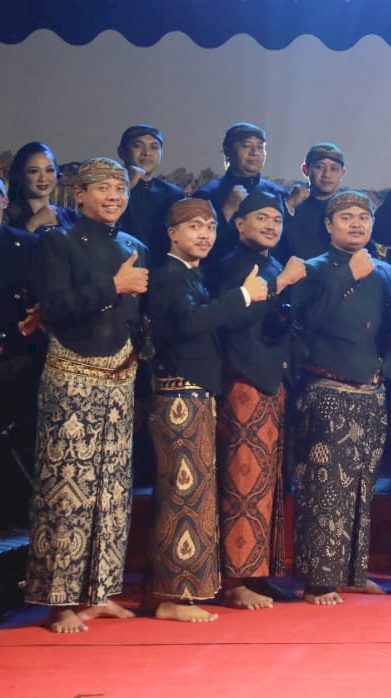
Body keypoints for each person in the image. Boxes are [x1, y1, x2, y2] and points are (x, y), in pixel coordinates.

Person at [24, 158, 148, 633]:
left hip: (121, 378)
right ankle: (59, 602)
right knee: (66, 490)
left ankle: (101, 592)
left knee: (111, 493)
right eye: (103, 188)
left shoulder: (135, 246)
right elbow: (55, 308)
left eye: (120, 187)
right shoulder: (56, 242)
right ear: (78, 194)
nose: (114, 195)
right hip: (72, 376)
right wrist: (113, 286)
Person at [143, 198, 270, 623]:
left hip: (194, 395)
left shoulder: (190, 275)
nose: (205, 234)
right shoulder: (169, 275)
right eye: (194, 226)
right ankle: (173, 597)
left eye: (211, 227)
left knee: (190, 495)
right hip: (179, 396)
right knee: (184, 496)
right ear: (172, 233)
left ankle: (173, 592)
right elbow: (189, 323)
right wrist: (243, 296)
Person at [288, 190, 391, 605]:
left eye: (363, 217)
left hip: (372, 391)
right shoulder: (313, 269)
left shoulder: (386, 271)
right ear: (328, 224)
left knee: (361, 488)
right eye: (346, 217)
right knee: (324, 489)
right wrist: (347, 279)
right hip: (327, 390)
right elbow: (305, 323)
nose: (356, 223)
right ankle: (318, 579)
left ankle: (353, 572)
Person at [213, 188, 305, 610]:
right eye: (262, 218)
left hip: (273, 383)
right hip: (244, 382)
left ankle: (258, 573)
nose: (271, 226)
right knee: (243, 482)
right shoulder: (230, 264)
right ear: (239, 224)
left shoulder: (271, 264)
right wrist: (281, 284)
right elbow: (231, 319)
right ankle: (234, 580)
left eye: (277, 220)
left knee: (268, 482)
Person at [0, 173, 41, 529]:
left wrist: (25, 357)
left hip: (18, 363)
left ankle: (9, 521)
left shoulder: (29, 247)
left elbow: (41, 307)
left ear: (4, 201)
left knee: (13, 449)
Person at [196, 123, 287, 267]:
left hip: (269, 273)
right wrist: (226, 211)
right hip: (222, 274)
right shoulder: (208, 193)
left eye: (260, 147)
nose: (254, 152)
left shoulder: (277, 193)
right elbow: (196, 245)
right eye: (246, 146)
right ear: (228, 151)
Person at [115, 124, 184, 258]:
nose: (147, 152)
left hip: (161, 265)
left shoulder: (173, 194)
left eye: (154, 147)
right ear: (121, 152)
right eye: (137, 146)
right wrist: (127, 185)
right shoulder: (107, 191)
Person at [276, 143, 348, 262]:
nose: (326, 175)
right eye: (319, 167)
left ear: (342, 173)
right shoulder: (291, 205)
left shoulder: (348, 208)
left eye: (333, 169)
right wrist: (288, 206)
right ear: (305, 170)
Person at [5, 142, 77, 234]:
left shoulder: (71, 216)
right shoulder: (7, 217)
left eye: (49, 170)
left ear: (57, 174)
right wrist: (32, 224)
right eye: (34, 171)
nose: (43, 178)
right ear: (20, 176)